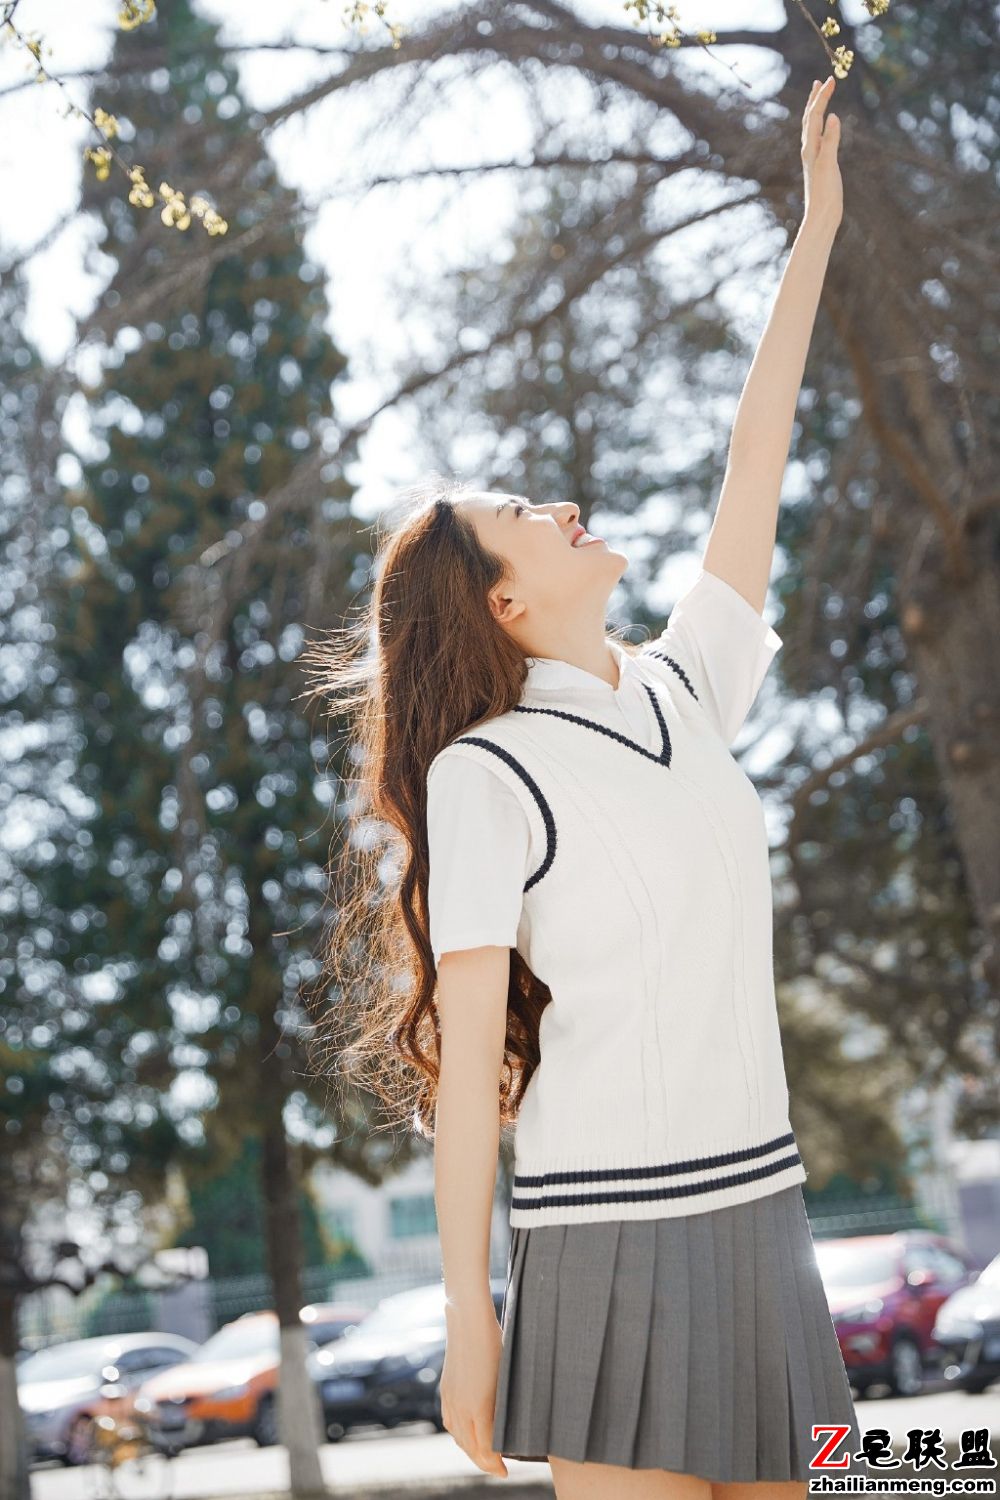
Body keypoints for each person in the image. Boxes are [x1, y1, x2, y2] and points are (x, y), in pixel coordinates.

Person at [304, 76, 850, 1500]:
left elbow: (757, 460)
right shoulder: (490, 776)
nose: (557, 506)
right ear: (499, 602)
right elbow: (477, 1079)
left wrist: (815, 237)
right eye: (518, 517)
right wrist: (468, 1324)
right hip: (602, 1242)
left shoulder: (684, 687)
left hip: (762, 1217)